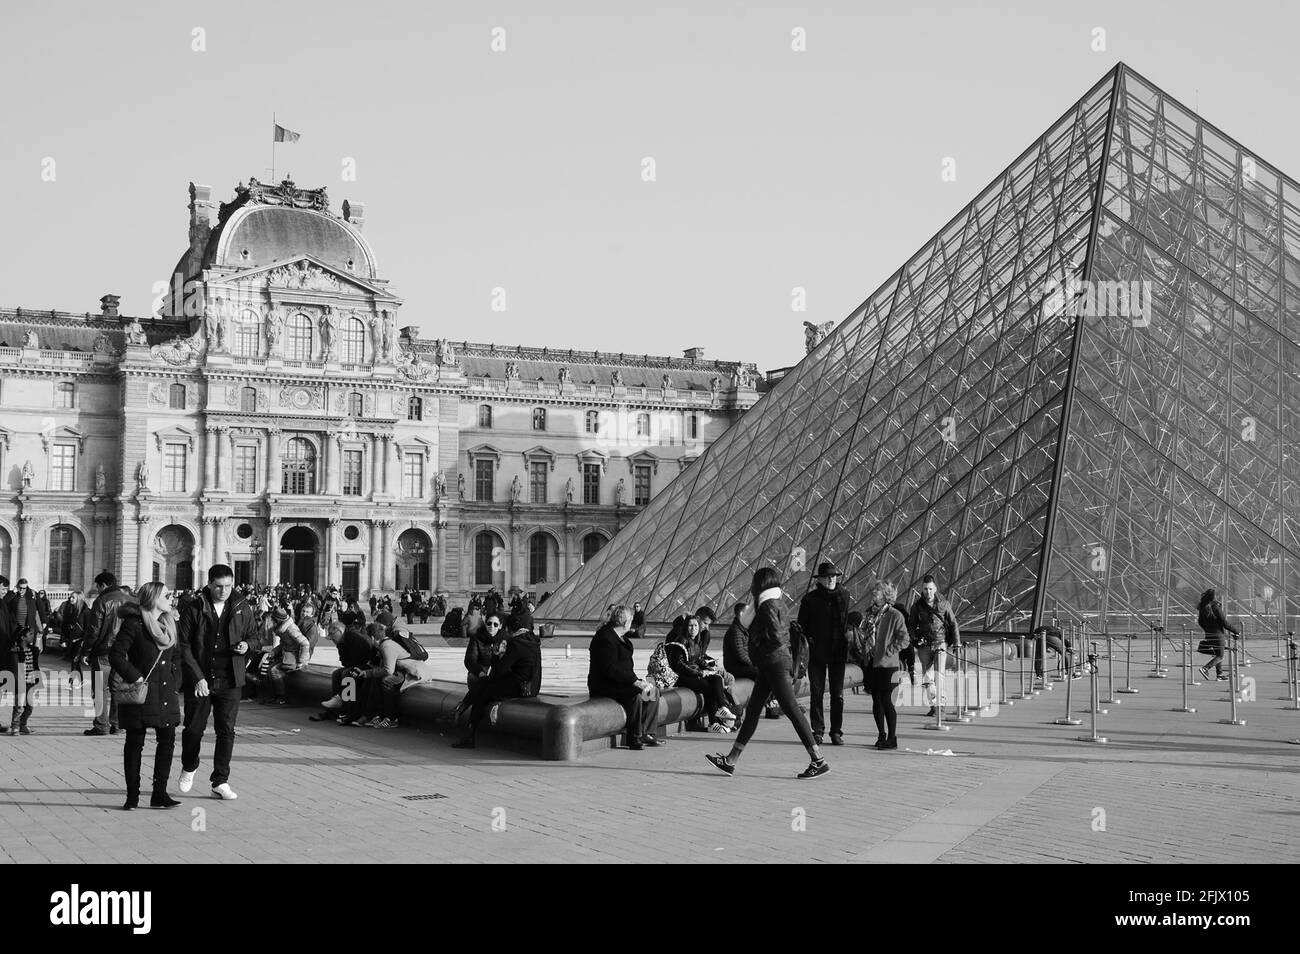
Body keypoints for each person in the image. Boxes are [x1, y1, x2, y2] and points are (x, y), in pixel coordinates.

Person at [705, 567, 828, 779]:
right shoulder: (776, 602)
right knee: (753, 711)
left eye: (754, 582)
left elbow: (774, 635)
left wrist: (755, 642)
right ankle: (730, 760)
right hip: (770, 664)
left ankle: (818, 760)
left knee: (791, 710)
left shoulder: (766, 606)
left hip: (774, 664)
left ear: (760, 584)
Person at [177, 565, 255, 801]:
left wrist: (248, 645)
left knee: (226, 731)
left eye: (228, 586)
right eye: (219, 586)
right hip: (201, 678)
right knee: (193, 729)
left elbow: (255, 635)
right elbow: (184, 645)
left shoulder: (242, 606)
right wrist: (197, 677)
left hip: (230, 678)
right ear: (209, 583)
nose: (224, 591)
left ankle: (220, 780)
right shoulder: (194, 607)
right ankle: (189, 766)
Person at [109, 582, 182, 809]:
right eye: (166, 595)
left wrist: (175, 681)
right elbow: (116, 654)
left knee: (167, 741)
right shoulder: (135, 624)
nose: (171, 598)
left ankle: (159, 793)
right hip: (142, 691)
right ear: (153, 598)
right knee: (135, 742)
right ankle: (132, 795)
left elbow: (177, 657)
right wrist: (135, 677)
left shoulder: (169, 624)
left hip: (165, 692)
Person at [451, 621, 541, 748]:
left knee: (481, 691)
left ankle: (464, 725)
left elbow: (499, 670)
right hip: (532, 688)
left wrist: (496, 654)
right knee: (483, 685)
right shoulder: (533, 642)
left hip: (519, 688)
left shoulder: (516, 643)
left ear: (510, 629)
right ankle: (459, 715)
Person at [587, 605, 662, 750]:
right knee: (636, 696)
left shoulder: (620, 638)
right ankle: (633, 737)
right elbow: (610, 669)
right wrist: (635, 682)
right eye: (631, 619)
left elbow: (624, 669)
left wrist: (638, 681)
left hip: (620, 682)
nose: (632, 622)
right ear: (625, 621)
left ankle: (647, 732)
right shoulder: (605, 638)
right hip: (605, 684)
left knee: (653, 691)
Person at [797, 561, 851, 745]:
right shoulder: (809, 600)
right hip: (817, 652)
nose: (831, 579)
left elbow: (846, 622)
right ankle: (817, 730)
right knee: (816, 693)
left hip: (838, 652)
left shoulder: (845, 595)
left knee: (838, 695)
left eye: (833, 576)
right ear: (819, 579)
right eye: (827, 576)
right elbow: (801, 627)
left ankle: (836, 732)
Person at [82, 571, 133, 736]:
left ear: (102, 585)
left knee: (99, 689)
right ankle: (118, 724)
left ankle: (101, 725)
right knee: (118, 688)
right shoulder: (131, 600)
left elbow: (93, 631)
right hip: (124, 651)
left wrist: (86, 651)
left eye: (97, 587)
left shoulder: (102, 600)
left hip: (103, 651)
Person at [665, 615, 736, 731]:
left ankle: (722, 709)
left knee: (716, 678)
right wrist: (699, 673)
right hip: (683, 677)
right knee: (710, 687)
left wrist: (709, 669)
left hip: (693, 673)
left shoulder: (695, 641)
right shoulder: (681, 640)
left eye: (695, 625)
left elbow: (698, 659)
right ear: (685, 627)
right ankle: (713, 723)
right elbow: (679, 664)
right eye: (690, 625)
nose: (693, 628)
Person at [863, 582, 909, 749]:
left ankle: (892, 737)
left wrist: (889, 650)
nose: (873, 592)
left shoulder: (895, 615)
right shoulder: (870, 614)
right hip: (872, 663)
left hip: (888, 664)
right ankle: (881, 735)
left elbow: (904, 639)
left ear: (886, 594)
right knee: (876, 700)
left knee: (887, 701)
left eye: (877, 590)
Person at [908, 574, 961, 718]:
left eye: (930, 589)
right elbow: (911, 625)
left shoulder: (944, 604)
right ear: (922, 589)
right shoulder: (917, 606)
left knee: (939, 676)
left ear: (935, 588)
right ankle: (934, 704)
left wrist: (956, 642)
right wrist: (914, 639)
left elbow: (953, 623)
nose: (928, 592)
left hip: (940, 643)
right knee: (927, 677)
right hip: (924, 646)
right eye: (925, 589)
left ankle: (940, 706)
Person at [261, 606, 311, 705]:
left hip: (293, 657)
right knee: (270, 667)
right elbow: (285, 643)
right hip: (287, 654)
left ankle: (281, 697)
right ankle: (275, 696)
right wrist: (274, 652)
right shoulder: (283, 628)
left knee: (274, 670)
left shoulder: (290, 629)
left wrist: (302, 662)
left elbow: (305, 643)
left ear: (278, 620)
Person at [6, 616, 41, 735]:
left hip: (31, 682)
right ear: (23, 637)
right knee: (19, 706)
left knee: (29, 707)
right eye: (30, 634)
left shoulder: (34, 650)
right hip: (20, 682)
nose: (32, 636)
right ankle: (14, 726)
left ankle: (23, 725)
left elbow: (36, 666)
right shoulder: (16, 651)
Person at [1197, 589, 1240, 681]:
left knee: (1218, 654)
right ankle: (1205, 668)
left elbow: (1200, 622)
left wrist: (1207, 629)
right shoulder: (1215, 607)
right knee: (1220, 656)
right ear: (1215, 597)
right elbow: (1224, 622)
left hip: (1209, 634)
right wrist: (1236, 631)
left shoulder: (1203, 607)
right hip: (1218, 634)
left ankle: (1219, 675)